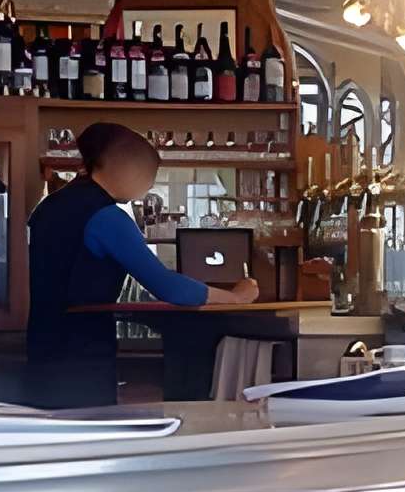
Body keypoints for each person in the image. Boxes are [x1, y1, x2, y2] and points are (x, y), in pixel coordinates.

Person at [23, 122, 259, 408]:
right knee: (90, 440)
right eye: (149, 176)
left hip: (42, 347)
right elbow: (168, 286)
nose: (148, 186)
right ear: (127, 169)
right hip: (82, 354)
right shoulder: (107, 218)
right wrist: (236, 297)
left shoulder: (49, 206)